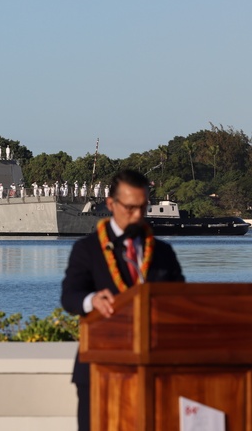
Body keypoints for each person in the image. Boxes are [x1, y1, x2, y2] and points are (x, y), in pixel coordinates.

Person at [60, 169, 185, 431]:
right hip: (98, 368)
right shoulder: (87, 249)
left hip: (152, 370)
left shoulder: (162, 252)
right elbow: (70, 296)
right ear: (110, 204)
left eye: (143, 207)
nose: (138, 215)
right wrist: (92, 300)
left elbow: (181, 303)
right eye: (130, 208)